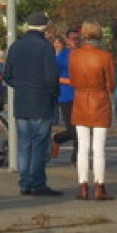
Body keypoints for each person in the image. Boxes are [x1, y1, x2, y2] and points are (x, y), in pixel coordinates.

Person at [3, 11, 61, 196]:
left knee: (24, 143)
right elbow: (52, 77)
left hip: (22, 99)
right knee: (39, 144)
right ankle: (37, 182)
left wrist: (21, 85)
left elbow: (7, 75)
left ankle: (25, 182)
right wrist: (52, 93)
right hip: (41, 100)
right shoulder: (45, 47)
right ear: (45, 27)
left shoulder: (16, 46)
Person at [69, 21, 116, 201]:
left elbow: (73, 80)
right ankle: (99, 186)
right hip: (100, 101)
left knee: (82, 147)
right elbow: (111, 84)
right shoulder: (105, 56)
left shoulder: (74, 56)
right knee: (99, 148)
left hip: (80, 100)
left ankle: (82, 186)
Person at [51, 27, 81, 164]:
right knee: (72, 130)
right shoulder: (61, 58)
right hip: (66, 97)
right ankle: (57, 138)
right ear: (67, 41)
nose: (75, 42)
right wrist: (68, 81)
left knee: (81, 129)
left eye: (77, 39)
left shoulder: (83, 55)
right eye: (73, 39)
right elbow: (53, 76)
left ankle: (76, 159)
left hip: (81, 96)